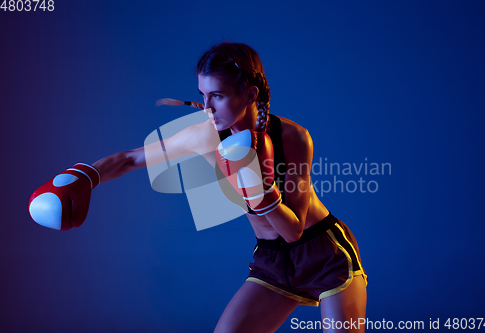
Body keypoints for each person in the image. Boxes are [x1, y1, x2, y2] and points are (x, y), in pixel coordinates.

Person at [29, 42, 367, 333]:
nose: (207, 108)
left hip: (324, 252)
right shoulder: (204, 134)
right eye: (202, 95)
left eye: (217, 96)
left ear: (250, 93)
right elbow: (130, 159)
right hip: (272, 260)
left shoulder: (292, 137)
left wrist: (262, 195)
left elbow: (293, 230)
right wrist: (84, 176)